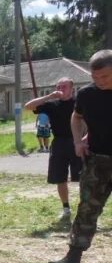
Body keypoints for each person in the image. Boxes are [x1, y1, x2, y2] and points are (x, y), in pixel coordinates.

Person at [49, 49, 112, 263]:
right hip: (96, 161)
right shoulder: (87, 94)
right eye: (95, 77)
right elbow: (76, 117)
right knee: (86, 209)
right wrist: (78, 141)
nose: (100, 82)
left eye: (105, 77)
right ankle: (72, 260)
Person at [25, 78, 81, 220]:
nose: (61, 89)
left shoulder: (79, 103)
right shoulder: (51, 104)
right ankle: (66, 208)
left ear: (71, 89)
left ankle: (85, 209)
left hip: (77, 142)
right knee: (60, 178)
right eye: (58, 86)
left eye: (64, 86)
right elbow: (28, 106)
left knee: (83, 178)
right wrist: (49, 96)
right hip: (59, 143)